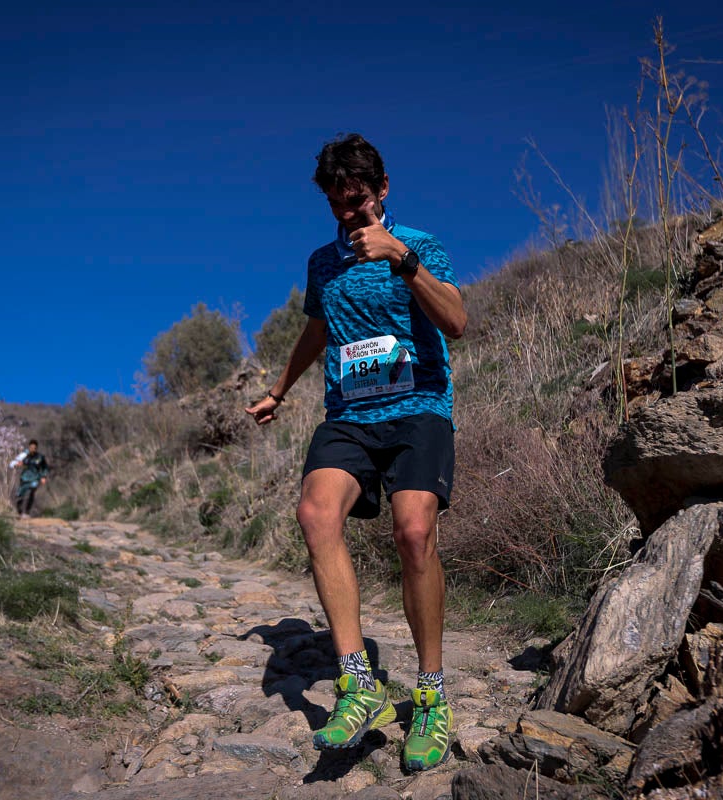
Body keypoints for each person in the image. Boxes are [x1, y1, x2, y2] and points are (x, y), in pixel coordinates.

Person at [245, 133, 467, 772]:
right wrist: (280, 391)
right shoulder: (322, 262)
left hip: (419, 410)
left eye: (359, 200)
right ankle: (356, 683)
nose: (349, 214)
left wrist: (401, 258)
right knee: (316, 516)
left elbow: (455, 322)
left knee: (415, 533)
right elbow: (316, 328)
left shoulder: (419, 245)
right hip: (349, 416)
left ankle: (430, 697)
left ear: (383, 189)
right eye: (337, 205)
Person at [8, 439, 49, 518]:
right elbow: (13, 464)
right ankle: (20, 512)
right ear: (29, 447)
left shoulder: (40, 457)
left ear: (36, 448)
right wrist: (17, 464)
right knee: (20, 495)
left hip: (35, 478)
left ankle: (27, 511)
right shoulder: (24, 456)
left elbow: (45, 468)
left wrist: (43, 477)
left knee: (32, 490)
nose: (32, 449)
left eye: (34, 447)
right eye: (31, 447)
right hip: (24, 478)